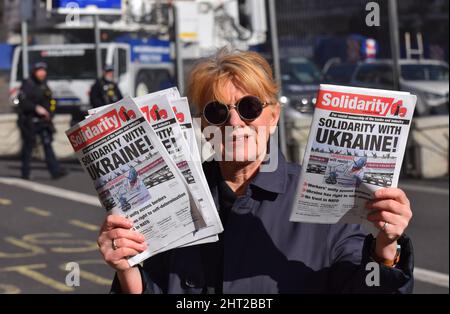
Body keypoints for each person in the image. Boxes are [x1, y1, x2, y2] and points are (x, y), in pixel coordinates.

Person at [97, 48, 414, 294]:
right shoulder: (176, 197)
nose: (234, 123)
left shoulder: (326, 199)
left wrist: (385, 248)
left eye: (249, 108)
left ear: (273, 116)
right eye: (217, 112)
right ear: (204, 125)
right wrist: (127, 270)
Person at [17, 62, 66, 180]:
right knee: (28, 147)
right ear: (34, 72)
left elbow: (52, 101)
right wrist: (36, 108)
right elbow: (23, 102)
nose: (42, 73)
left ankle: (55, 171)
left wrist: (51, 113)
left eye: (44, 70)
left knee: (47, 145)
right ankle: (25, 172)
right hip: (30, 121)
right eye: (39, 70)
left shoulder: (44, 85)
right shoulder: (27, 84)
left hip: (43, 122)